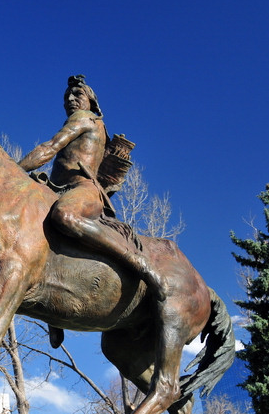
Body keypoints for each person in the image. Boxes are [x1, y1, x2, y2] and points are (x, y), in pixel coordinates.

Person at [19, 76, 167, 347]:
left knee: (66, 216)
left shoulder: (86, 119)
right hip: (57, 187)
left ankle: (139, 264)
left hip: (81, 188)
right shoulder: (86, 121)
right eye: (66, 97)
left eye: (77, 94)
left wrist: (15, 171)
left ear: (91, 101)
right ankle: (54, 315)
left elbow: (49, 148)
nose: (70, 99)